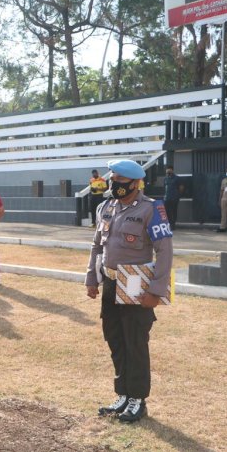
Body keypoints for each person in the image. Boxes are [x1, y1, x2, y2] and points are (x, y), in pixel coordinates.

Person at [85, 159, 173, 423]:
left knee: (134, 341)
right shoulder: (106, 207)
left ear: (135, 183)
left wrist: (156, 290)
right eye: (113, 181)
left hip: (136, 283)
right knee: (115, 339)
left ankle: (137, 398)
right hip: (111, 282)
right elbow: (96, 246)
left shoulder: (151, 209)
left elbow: (165, 250)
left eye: (121, 182)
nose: (115, 186)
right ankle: (122, 394)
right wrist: (92, 277)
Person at [163, 166, 183, 231]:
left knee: (174, 212)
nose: (167, 171)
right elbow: (165, 188)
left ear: (172, 170)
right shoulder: (165, 178)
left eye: (168, 170)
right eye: (166, 170)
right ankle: (168, 224)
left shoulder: (177, 178)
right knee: (167, 212)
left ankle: (173, 225)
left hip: (174, 198)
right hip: (166, 198)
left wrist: (178, 196)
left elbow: (181, 188)